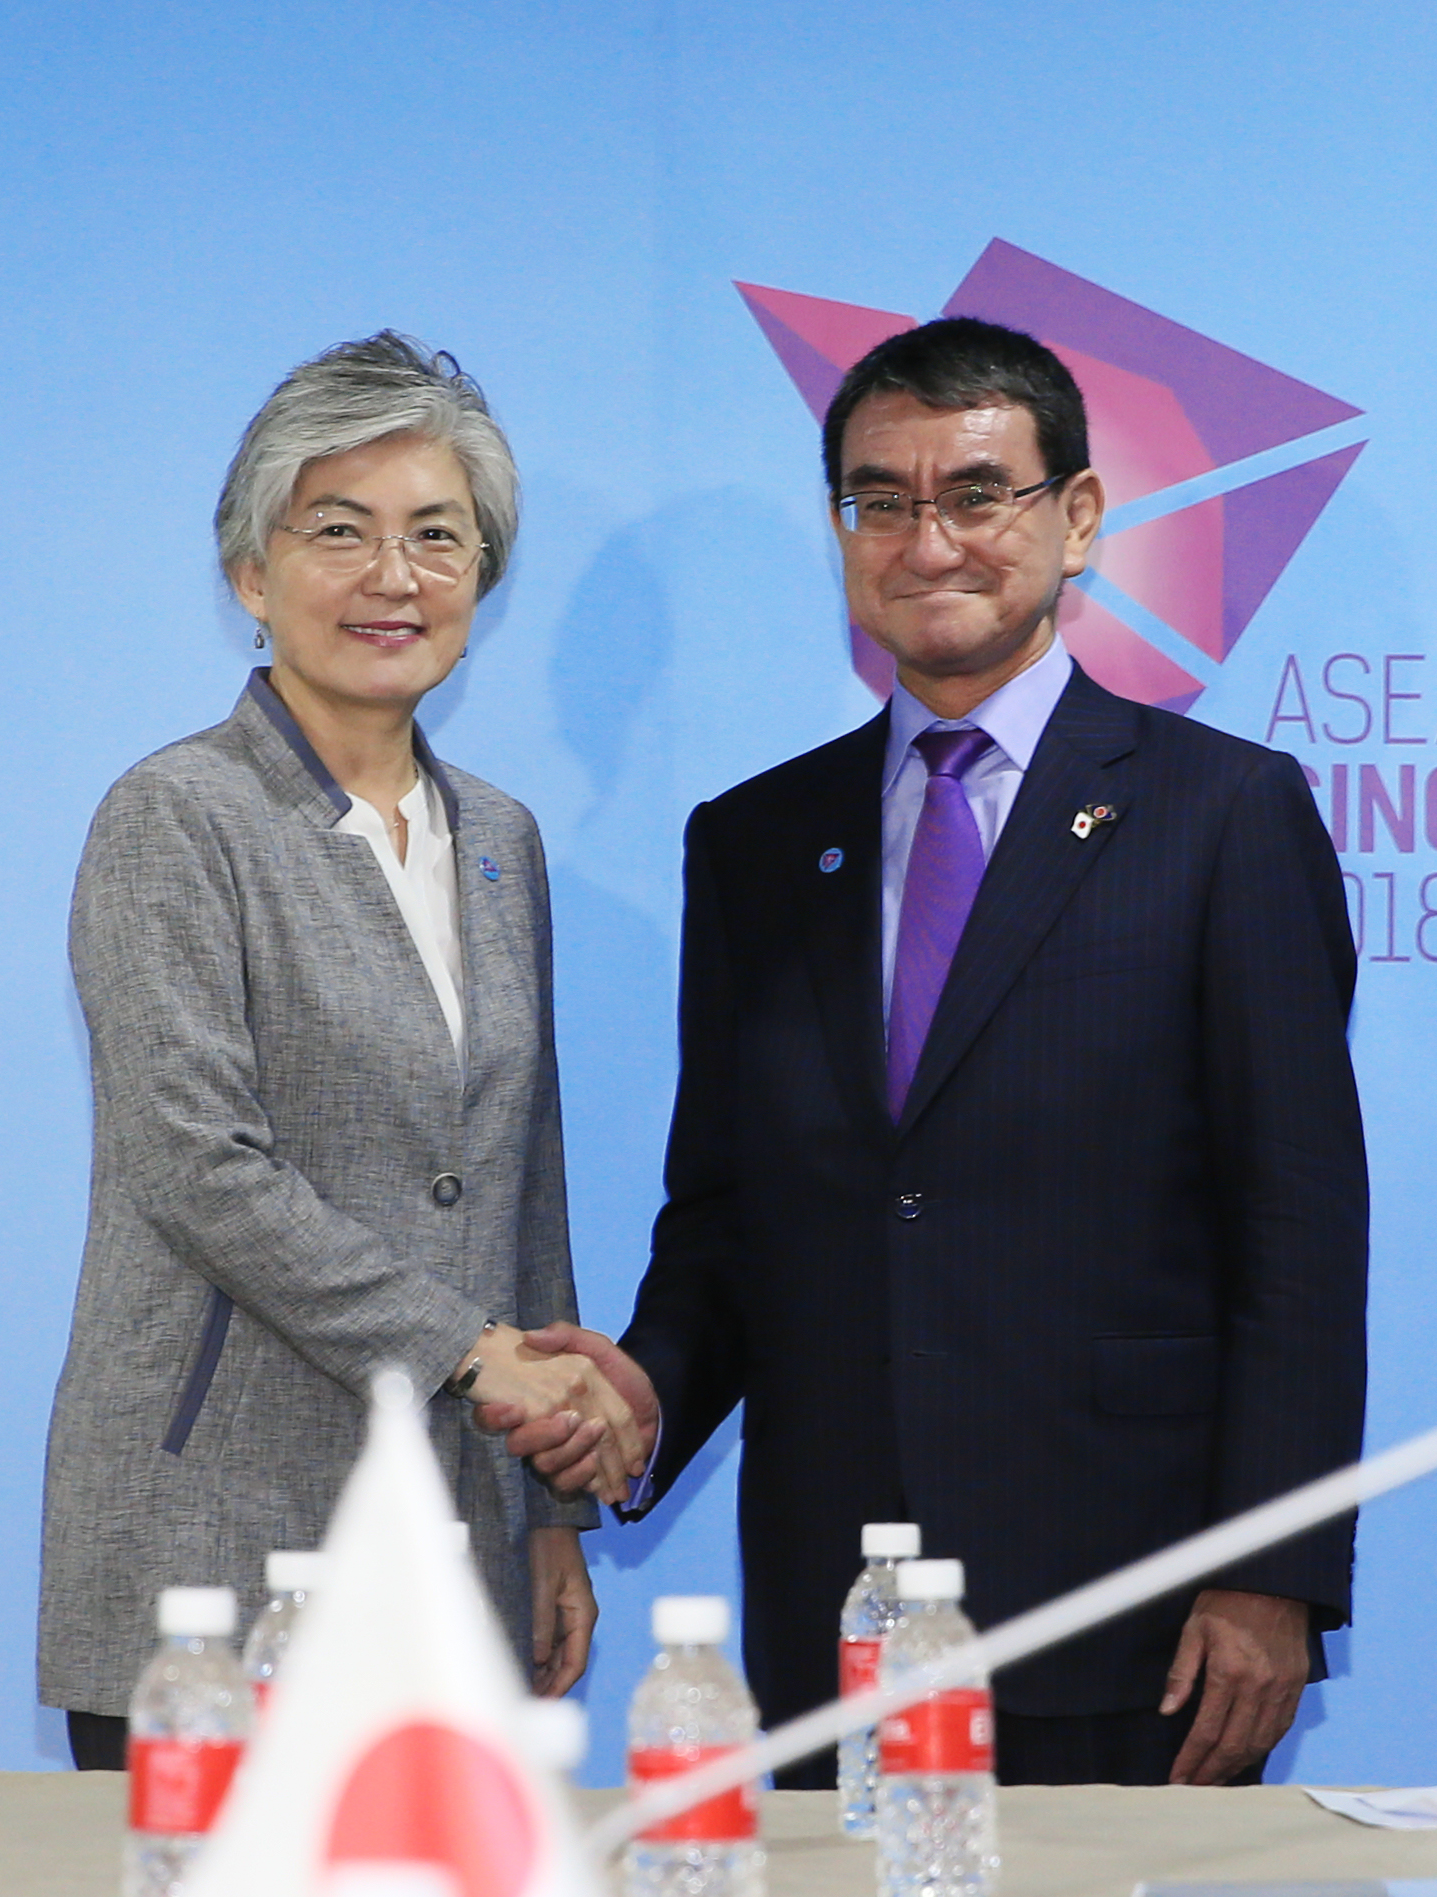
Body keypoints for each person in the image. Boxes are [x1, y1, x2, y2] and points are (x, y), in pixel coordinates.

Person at [498, 317, 1367, 1788]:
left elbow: (1297, 1229)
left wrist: (1270, 1570)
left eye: (976, 494)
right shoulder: (755, 839)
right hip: (833, 1615)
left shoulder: (1224, 815)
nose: (928, 540)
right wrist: (648, 1393)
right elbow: (728, 1218)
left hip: (1137, 1610)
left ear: (1076, 518)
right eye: (879, 501)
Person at [38, 333, 644, 1771]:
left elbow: (522, 1183)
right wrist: (475, 1355)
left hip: (454, 1537)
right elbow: (199, 1166)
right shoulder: (177, 815)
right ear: (250, 574)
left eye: (437, 535)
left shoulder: (498, 838)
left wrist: (548, 1510)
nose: (394, 576)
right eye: (338, 531)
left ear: (482, 578)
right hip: (213, 1539)